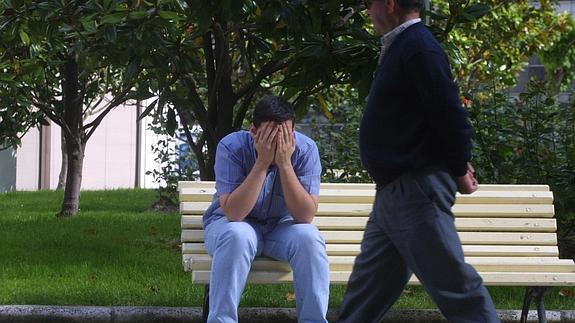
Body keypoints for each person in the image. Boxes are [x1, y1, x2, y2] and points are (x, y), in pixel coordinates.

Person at [337, 0, 500, 322]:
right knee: (367, 289)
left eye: (370, 4)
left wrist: (458, 168)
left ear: (390, 4)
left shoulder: (419, 48)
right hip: (394, 191)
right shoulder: (404, 46)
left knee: (456, 287)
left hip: (414, 188)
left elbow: (450, 115)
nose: (368, 12)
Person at [202, 96, 329, 323]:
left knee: (310, 236)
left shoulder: (306, 149)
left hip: (280, 228)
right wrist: (262, 163)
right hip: (231, 226)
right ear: (253, 130)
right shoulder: (231, 147)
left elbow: (305, 216)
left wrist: (285, 164)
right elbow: (234, 214)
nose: (279, 142)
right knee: (237, 234)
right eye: (271, 135)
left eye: (285, 135)